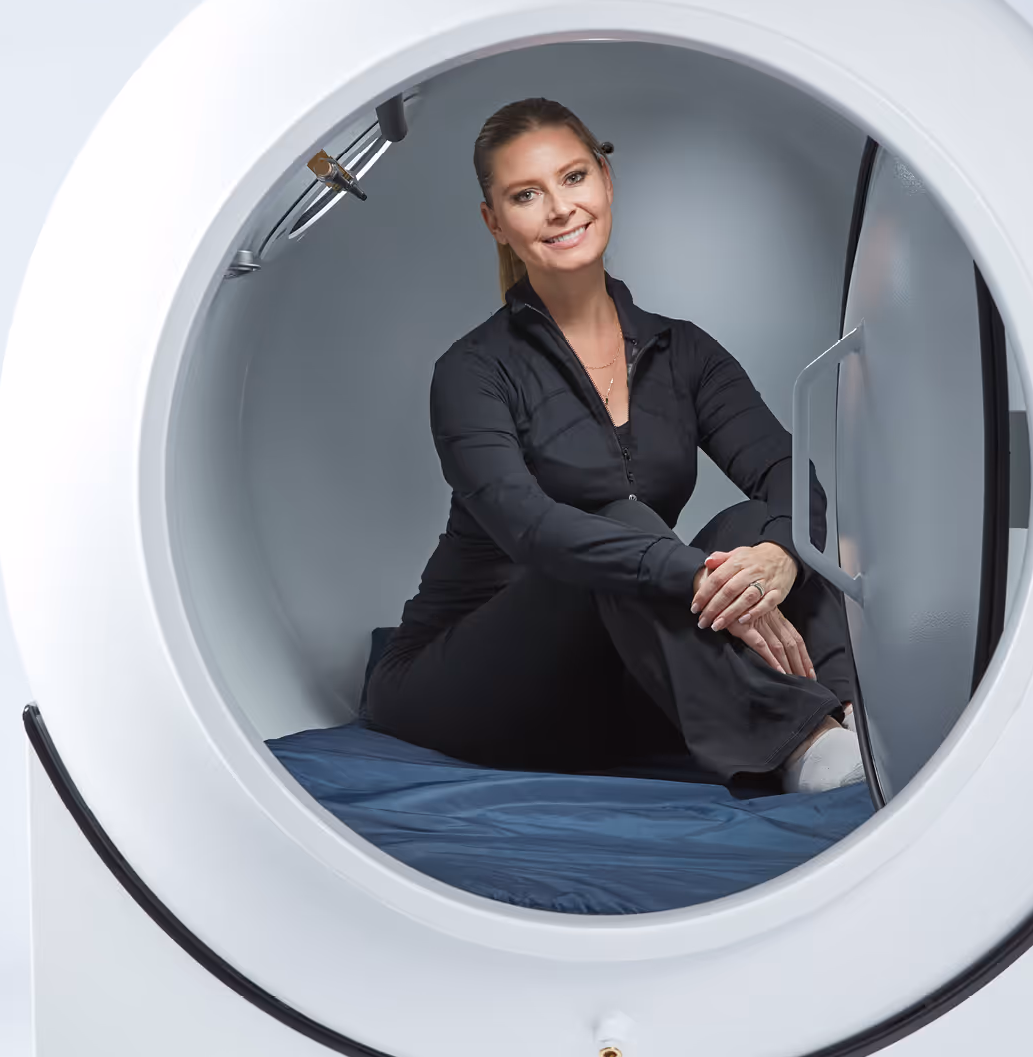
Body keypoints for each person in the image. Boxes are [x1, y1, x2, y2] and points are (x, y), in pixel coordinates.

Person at [365, 97, 864, 794]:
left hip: (614, 682)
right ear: (495, 223)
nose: (560, 207)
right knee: (625, 523)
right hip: (468, 680)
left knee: (760, 526)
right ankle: (806, 745)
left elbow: (789, 477)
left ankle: (844, 720)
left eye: (573, 178)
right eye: (526, 194)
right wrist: (688, 572)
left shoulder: (684, 351)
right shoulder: (472, 371)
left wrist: (774, 558)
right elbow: (531, 528)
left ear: (606, 180)